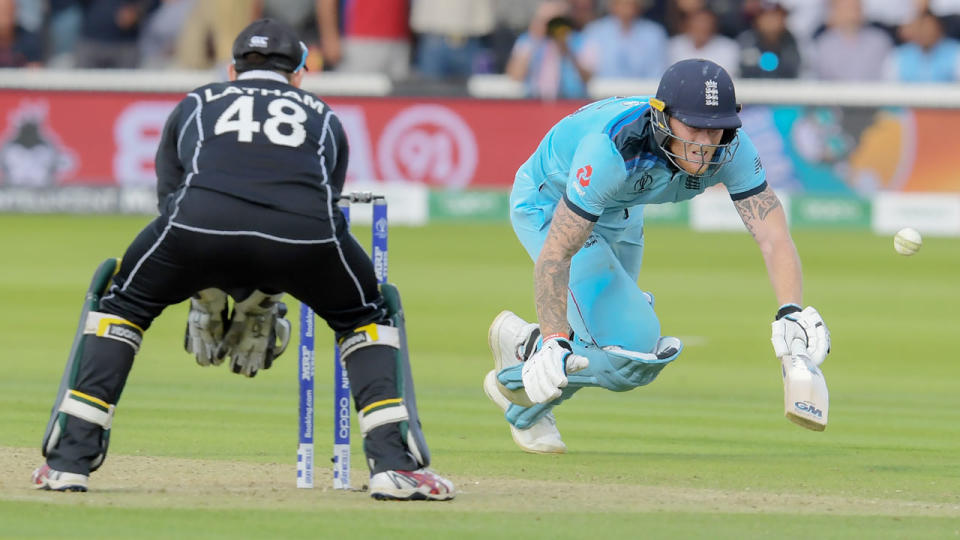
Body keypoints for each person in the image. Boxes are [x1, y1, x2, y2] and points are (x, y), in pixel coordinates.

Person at [32, 18, 455, 501]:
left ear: (231, 71)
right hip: (304, 237)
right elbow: (322, 201)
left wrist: (201, 279)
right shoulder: (323, 114)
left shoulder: (196, 102)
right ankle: (394, 468)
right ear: (299, 74)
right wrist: (270, 284)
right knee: (365, 317)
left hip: (196, 227)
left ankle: (68, 463)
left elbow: (170, 198)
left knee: (121, 307)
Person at [482, 58, 831, 453]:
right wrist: (552, 338)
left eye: (715, 128)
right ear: (661, 118)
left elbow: (773, 236)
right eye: (693, 127)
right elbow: (557, 254)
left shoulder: (731, 148)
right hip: (550, 204)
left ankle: (523, 383)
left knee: (603, 341)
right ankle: (516, 375)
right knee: (632, 350)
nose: (704, 143)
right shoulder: (612, 151)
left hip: (622, 212)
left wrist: (790, 311)